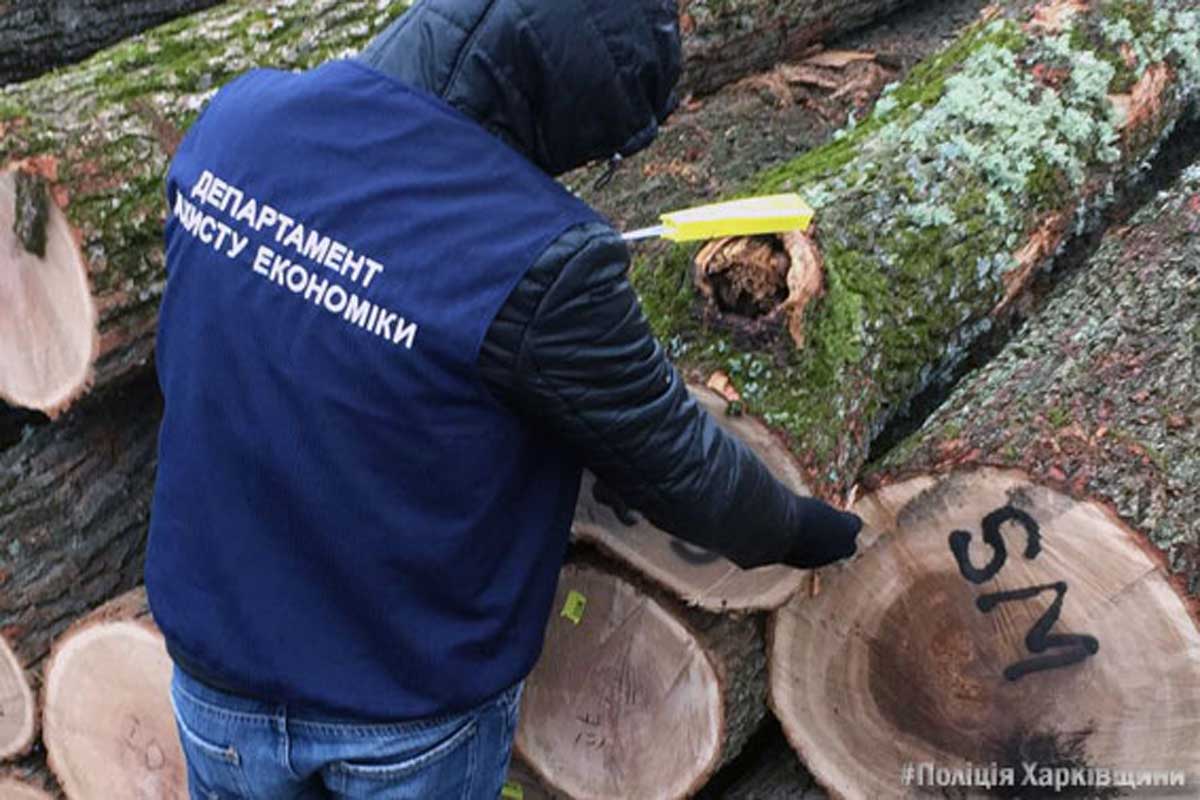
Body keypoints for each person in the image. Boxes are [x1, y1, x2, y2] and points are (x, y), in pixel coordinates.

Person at [144, 0, 863, 797]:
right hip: (402, 708)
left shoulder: (238, 122)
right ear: (567, 105)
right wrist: (807, 529)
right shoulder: (537, 253)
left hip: (214, 670)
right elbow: (683, 473)